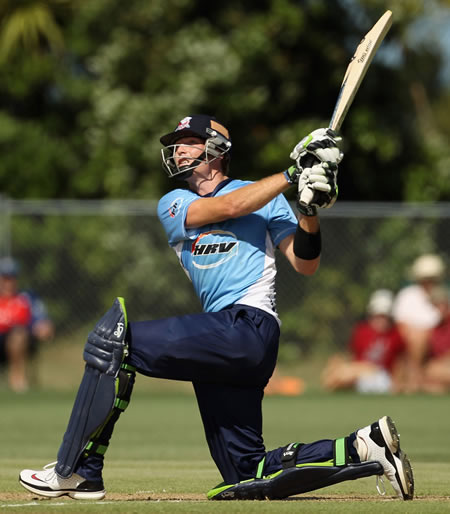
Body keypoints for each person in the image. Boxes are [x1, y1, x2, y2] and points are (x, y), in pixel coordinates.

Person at [19, 115, 413, 501]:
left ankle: (77, 472)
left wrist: (309, 210)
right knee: (246, 473)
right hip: (224, 342)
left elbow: (305, 262)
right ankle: (366, 447)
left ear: (216, 149)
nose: (177, 150)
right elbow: (226, 208)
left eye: (189, 141)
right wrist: (293, 175)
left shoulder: (266, 195)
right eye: (176, 144)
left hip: (249, 325)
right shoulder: (175, 202)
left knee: (113, 341)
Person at [322, 289, 405, 393]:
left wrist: (398, 383)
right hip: (360, 375)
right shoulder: (361, 331)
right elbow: (353, 356)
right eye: (377, 315)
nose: (381, 320)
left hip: (382, 377)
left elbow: (401, 362)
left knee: (347, 374)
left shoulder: (395, 335)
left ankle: (341, 379)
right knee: (337, 366)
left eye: (384, 316)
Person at [392, 253, 446, 392]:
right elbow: (400, 326)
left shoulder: (443, 297)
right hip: (410, 345)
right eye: (425, 278)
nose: (429, 282)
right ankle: (417, 379)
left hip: (436, 347)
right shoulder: (407, 295)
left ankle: (420, 381)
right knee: (417, 337)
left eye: (432, 278)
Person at [0, 257, 32, 392]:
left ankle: (17, 379)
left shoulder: (24, 299)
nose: (9, 282)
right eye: (5, 277)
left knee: (18, 335)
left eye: (12, 277)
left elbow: (37, 322)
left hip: (14, 340)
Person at [422, 286, 450, 393]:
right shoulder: (433, 329)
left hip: (443, 366)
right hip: (440, 368)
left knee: (432, 371)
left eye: (439, 304)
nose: (436, 308)